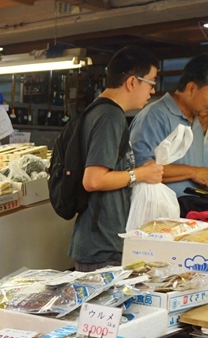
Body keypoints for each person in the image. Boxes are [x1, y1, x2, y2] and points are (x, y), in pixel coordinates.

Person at [70, 46, 164, 272]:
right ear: (132, 82)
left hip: (98, 242)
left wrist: (137, 171)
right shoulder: (110, 116)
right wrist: (140, 174)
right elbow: (93, 180)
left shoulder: (98, 111)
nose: (152, 91)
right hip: (102, 247)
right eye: (151, 82)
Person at [129, 54, 208, 196]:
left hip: (190, 212)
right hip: (159, 212)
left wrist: (206, 179)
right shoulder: (155, 116)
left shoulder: (195, 119)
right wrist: (194, 172)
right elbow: (141, 169)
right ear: (191, 88)